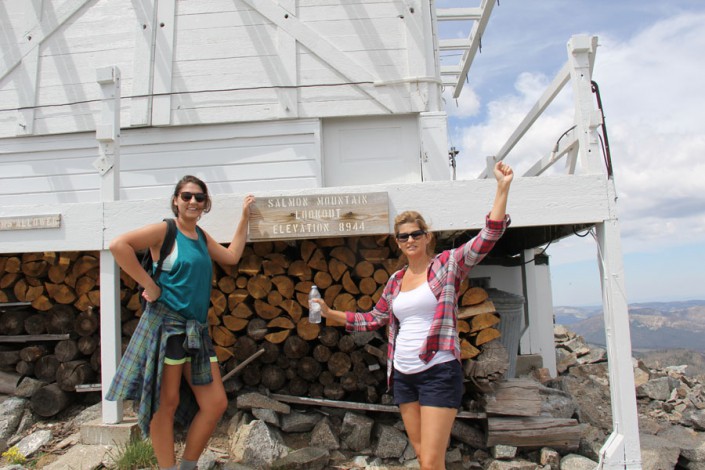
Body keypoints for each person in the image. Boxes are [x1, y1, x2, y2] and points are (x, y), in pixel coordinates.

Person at [313, 161, 513, 470]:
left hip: (438, 371)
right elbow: (373, 318)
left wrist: (502, 188)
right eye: (402, 237)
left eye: (415, 234)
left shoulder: (448, 265)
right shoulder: (395, 281)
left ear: (427, 236)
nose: (409, 240)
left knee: (432, 460)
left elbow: (487, 237)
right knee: (423, 456)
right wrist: (329, 313)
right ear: (397, 242)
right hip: (403, 375)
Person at [106, 175, 254, 470]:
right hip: (167, 328)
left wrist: (244, 218)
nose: (193, 202)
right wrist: (150, 284)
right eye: (186, 196)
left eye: (199, 198)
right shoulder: (166, 230)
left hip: (196, 331)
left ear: (205, 204)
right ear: (176, 200)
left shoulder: (200, 236)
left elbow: (232, 256)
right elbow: (118, 245)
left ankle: (187, 466)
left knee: (215, 404)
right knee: (167, 404)